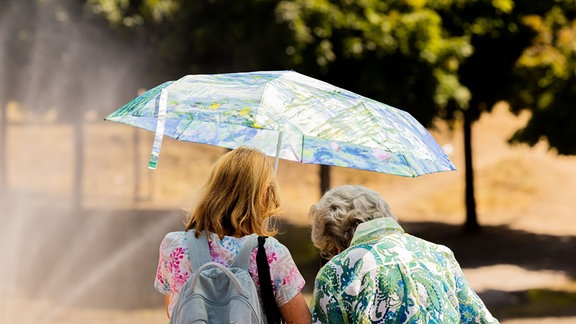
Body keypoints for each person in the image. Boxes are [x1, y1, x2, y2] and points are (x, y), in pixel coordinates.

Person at [154, 146, 311, 323]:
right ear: (264, 194)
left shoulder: (173, 245)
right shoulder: (271, 253)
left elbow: (174, 309)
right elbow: (301, 321)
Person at [308, 185, 499, 323]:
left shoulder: (336, 273)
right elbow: (479, 319)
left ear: (334, 241)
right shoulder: (439, 254)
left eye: (329, 252)